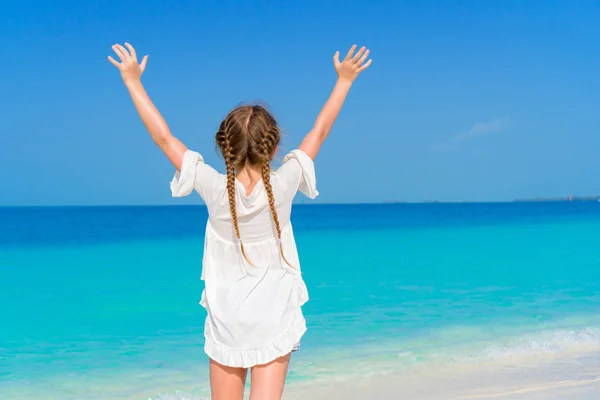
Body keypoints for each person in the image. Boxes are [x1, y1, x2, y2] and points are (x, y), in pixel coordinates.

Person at [108, 42, 372, 400]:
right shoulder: (286, 182)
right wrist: (344, 80)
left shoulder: (213, 189)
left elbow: (163, 138)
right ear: (275, 146)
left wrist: (132, 81)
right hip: (274, 316)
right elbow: (319, 132)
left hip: (228, 323)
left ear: (224, 146)